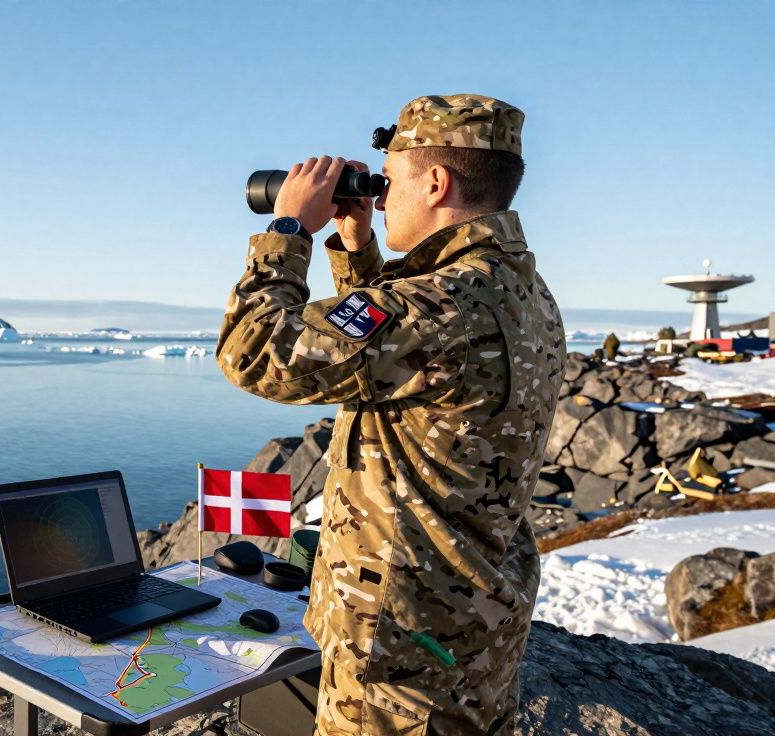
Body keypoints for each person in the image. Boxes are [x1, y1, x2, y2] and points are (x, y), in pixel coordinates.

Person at [216, 94, 565, 735]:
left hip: (402, 655)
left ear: (436, 182)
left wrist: (288, 231)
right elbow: (387, 361)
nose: (380, 197)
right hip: (465, 628)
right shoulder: (517, 286)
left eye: (391, 180)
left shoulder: (445, 301)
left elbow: (257, 353)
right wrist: (355, 248)